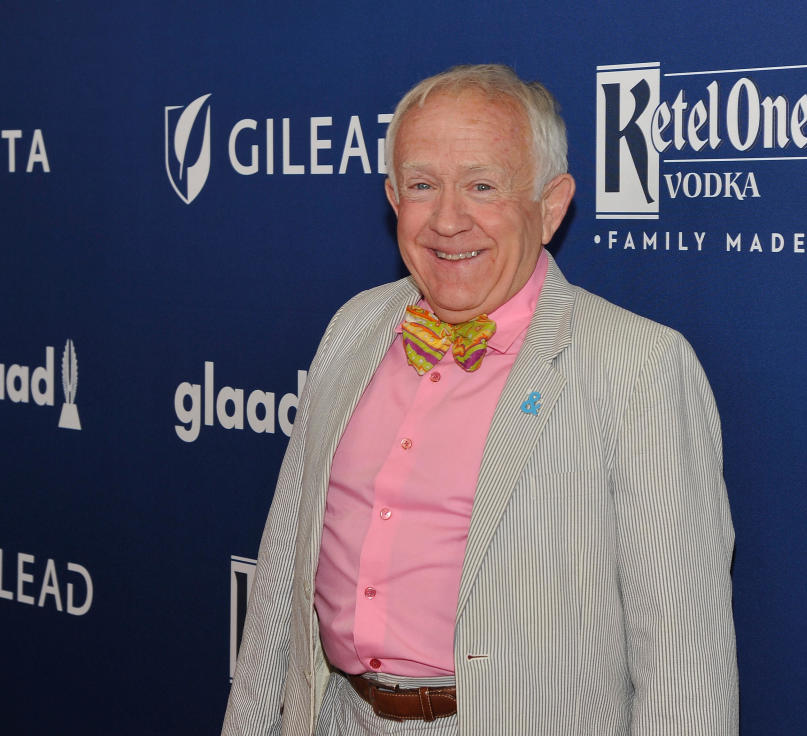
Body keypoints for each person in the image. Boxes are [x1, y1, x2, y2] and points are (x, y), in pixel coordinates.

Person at [223, 64, 738, 736]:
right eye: (422, 185)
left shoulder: (639, 369)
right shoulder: (353, 328)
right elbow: (282, 578)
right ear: (392, 198)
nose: (447, 220)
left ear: (550, 207)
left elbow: (684, 669)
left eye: (483, 186)